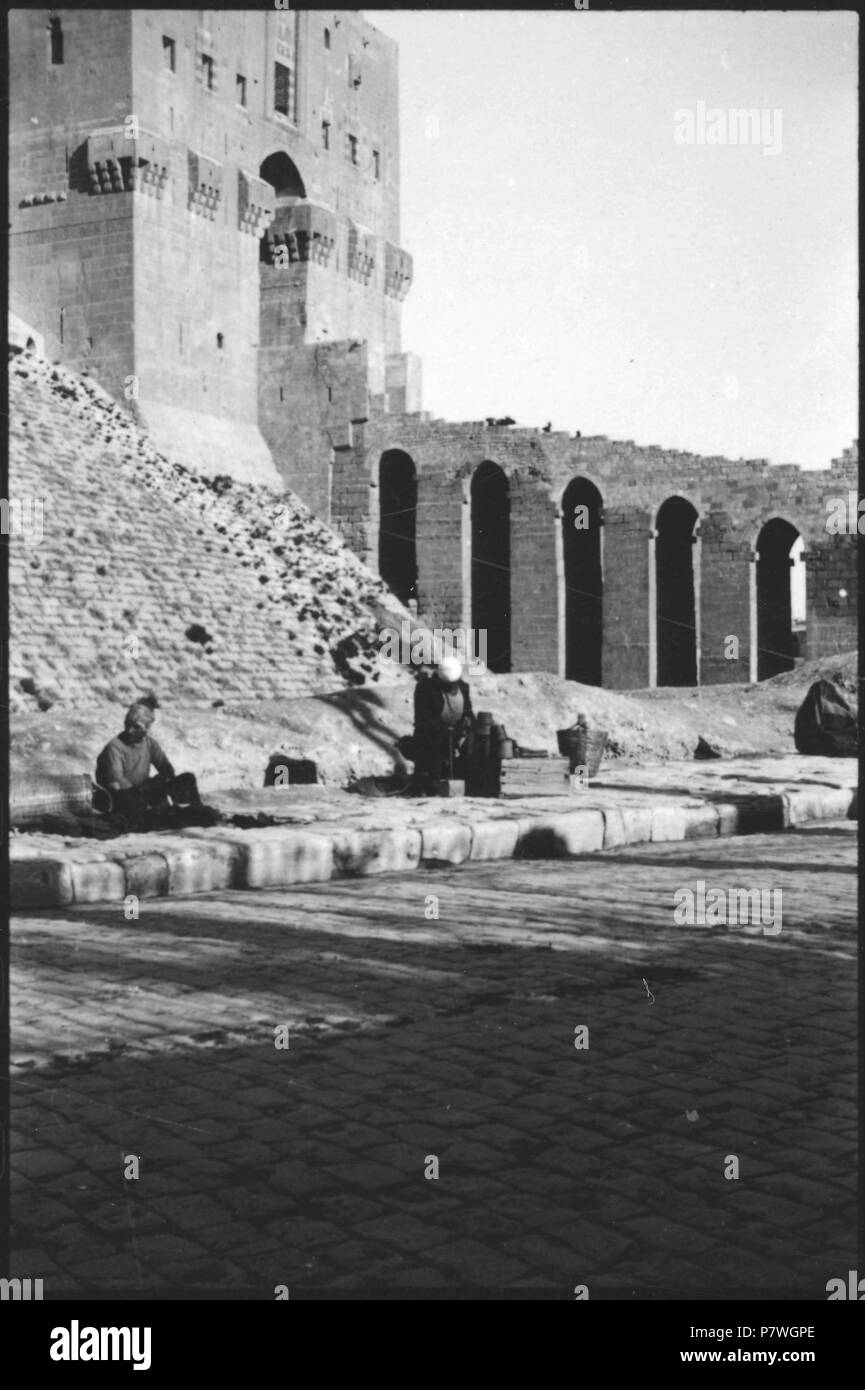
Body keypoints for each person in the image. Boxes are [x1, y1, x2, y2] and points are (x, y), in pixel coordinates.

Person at [95, 699, 207, 829]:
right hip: (124, 795)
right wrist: (141, 794)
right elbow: (117, 780)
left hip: (145, 790)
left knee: (187, 779)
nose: (130, 730)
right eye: (127, 724)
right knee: (135, 805)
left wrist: (156, 783)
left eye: (136, 727)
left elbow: (167, 769)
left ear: (146, 729)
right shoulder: (114, 747)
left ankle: (196, 811)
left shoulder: (150, 744)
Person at [412, 655, 474, 793]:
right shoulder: (426, 688)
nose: (450, 688)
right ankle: (430, 783)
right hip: (431, 736)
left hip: (456, 734)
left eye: (452, 685)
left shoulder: (463, 688)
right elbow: (423, 719)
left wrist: (468, 722)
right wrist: (443, 730)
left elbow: (468, 712)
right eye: (447, 686)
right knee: (435, 759)